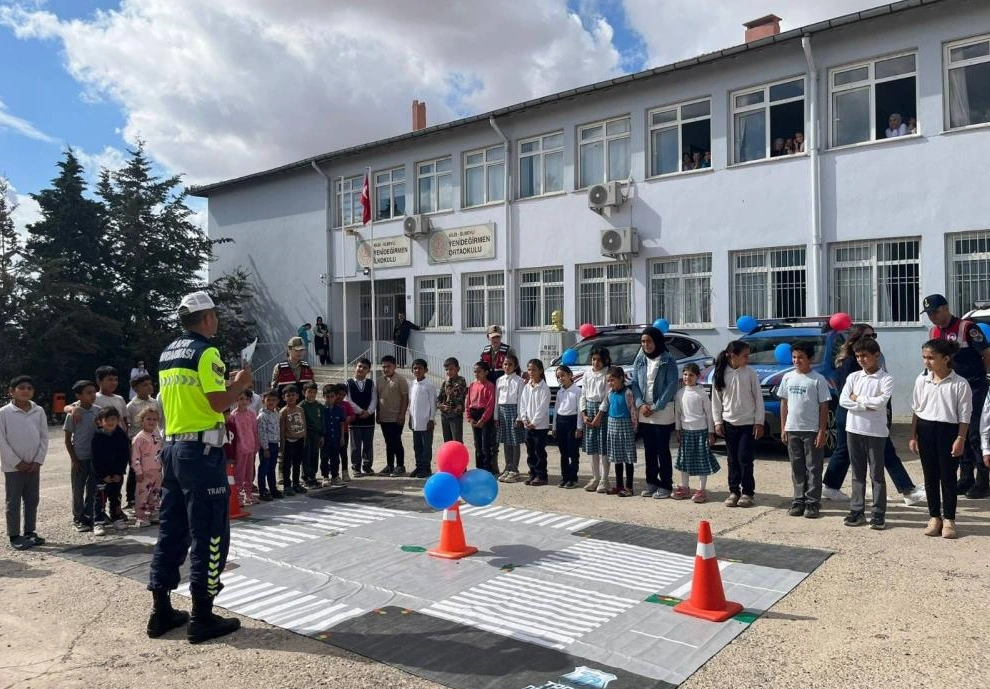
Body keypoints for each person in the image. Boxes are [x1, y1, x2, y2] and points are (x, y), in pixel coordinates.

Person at [147, 290, 251, 644]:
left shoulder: (167, 353)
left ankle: (161, 609)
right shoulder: (207, 352)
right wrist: (239, 385)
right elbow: (217, 402)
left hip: (174, 448)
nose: (217, 320)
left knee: (172, 529)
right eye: (215, 315)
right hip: (201, 452)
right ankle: (202, 615)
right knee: (210, 531)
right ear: (206, 318)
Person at [822, 324, 926, 505]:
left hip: (873, 417)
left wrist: (866, 401)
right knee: (849, 451)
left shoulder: (876, 360)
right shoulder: (850, 362)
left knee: (881, 452)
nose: (872, 339)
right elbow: (846, 395)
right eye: (868, 336)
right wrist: (867, 403)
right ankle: (907, 490)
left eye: (874, 336)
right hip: (851, 416)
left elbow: (881, 397)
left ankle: (906, 489)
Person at [924, 293, 990, 499]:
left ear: (945, 308)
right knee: (955, 431)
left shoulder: (967, 328)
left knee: (974, 432)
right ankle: (966, 476)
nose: (932, 316)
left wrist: (987, 376)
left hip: (974, 385)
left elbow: (986, 353)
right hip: (948, 388)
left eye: (935, 312)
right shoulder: (934, 332)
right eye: (929, 313)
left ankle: (983, 480)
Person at [910, 339, 972, 539]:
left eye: (931, 358)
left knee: (948, 477)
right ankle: (934, 516)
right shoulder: (922, 380)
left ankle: (950, 519)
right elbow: (917, 409)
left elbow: (964, 415)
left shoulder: (960, 384)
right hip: (926, 429)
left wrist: (960, 438)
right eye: (924, 358)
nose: (927, 362)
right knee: (930, 476)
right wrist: (913, 435)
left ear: (945, 359)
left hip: (948, 431)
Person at [840, 337, 893, 530]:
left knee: (876, 473)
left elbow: (881, 403)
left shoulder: (886, 379)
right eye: (858, 356)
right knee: (857, 472)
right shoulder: (853, 377)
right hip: (854, 428)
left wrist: (858, 399)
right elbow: (844, 400)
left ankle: (878, 513)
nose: (861, 359)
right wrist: (866, 404)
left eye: (865, 355)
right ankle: (857, 510)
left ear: (876, 355)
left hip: (876, 431)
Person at [778, 341, 831, 519]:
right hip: (793, 429)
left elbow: (824, 406)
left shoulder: (818, 379)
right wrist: (783, 427)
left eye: (801, 357)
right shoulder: (787, 378)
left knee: (814, 467)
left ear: (810, 359)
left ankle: (812, 502)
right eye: (794, 357)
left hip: (811, 430)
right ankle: (799, 499)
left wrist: (822, 431)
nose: (796, 360)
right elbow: (784, 403)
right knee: (797, 467)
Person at [712, 340, 763, 508]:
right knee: (732, 459)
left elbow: (758, 398)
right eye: (744, 356)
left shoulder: (750, 374)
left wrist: (759, 421)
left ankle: (748, 492)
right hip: (729, 423)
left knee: (745, 459)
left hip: (747, 423)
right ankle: (734, 491)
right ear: (733, 356)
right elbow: (716, 401)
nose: (747, 359)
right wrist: (717, 422)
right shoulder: (720, 374)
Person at [0, 375, 48, 550]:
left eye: (29, 388)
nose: (26, 390)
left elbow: (44, 437)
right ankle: (14, 535)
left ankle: (30, 532)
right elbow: (1, 441)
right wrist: (16, 462)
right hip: (13, 467)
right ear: (11, 391)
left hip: (33, 465)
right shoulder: (4, 413)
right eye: (21, 387)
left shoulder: (39, 411)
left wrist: (38, 460)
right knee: (13, 500)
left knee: (32, 499)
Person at [631, 326, 678, 499]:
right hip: (644, 410)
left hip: (662, 410)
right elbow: (635, 382)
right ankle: (651, 482)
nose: (646, 344)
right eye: (643, 341)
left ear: (656, 341)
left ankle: (666, 484)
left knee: (662, 450)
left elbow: (672, 384)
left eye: (649, 341)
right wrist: (640, 403)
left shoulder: (667, 359)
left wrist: (657, 406)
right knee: (649, 450)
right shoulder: (640, 359)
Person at [672, 363, 719, 503]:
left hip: (701, 432)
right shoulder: (680, 393)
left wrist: (711, 433)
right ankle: (685, 487)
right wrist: (678, 429)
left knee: (701, 462)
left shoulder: (702, 393)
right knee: (684, 461)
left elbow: (709, 414)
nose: (688, 377)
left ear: (697, 377)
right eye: (685, 374)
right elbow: (678, 413)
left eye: (691, 375)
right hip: (686, 432)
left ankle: (701, 490)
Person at [593, 366, 638, 497]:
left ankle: (629, 487)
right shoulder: (610, 393)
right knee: (617, 458)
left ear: (621, 379)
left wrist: (634, 428)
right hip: (612, 428)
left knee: (628, 458)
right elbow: (604, 406)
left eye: (612, 380)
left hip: (625, 428)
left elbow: (633, 411)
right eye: (608, 381)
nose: (610, 383)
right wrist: (597, 418)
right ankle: (619, 486)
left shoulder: (627, 393)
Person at [64, 380, 100, 533]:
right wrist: (73, 459)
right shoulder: (73, 414)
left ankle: (90, 514)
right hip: (79, 457)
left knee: (93, 489)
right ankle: (78, 518)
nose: (92, 395)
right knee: (77, 489)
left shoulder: (98, 411)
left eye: (94, 392)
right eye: (88, 393)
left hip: (95, 457)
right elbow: (67, 439)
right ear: (79, 395)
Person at [480, 325, 516, 467]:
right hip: (489, 393)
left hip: (504, 393)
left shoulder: (508, 350)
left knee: (503, 431)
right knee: (489, 430)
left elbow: (515, 370)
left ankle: (508, 465)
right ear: (488, 337)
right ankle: (491, 463)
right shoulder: (485, 352)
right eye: (493, 336)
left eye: (498, 336)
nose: (496, 339)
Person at [91, 406, 130, 535]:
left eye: (113, 419)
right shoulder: (97, 437)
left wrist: (119, 472)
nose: (110, 422)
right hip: (102, 475)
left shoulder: (121, 436)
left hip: (117, 474)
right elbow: (95, 459)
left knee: (116, 496)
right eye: (107, 420)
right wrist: (103, 475)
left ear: (117, 420)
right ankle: (98, 522)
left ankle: (116, 517)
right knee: (100, 498)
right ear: (100, 421)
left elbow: (124, 456)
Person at [580, 347, 611, 493]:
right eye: (593, 359)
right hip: (589, 411)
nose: (596, 362)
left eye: (599, 360)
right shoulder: (587, 374)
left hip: (602, 412)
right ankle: (595, 477)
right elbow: (583, 394)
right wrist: (584, 413)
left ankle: (605, 479)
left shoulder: (607, 374)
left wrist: (599, 415)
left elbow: (607, 397)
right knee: (593, 448)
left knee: (603, 447)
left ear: (605, 360)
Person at [519, 359, 551, 486]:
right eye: (529, 369)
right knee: (530, 450)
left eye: (534, 370)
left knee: (539, 450)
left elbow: (542, 408)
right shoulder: (527, 387)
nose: (531, 372)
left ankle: (541, 475)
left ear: (540, 371)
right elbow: (523, 404)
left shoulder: (544, 388)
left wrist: (534, 422)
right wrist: (524, 419)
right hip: (528, 425)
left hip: (540, 426)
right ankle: (532, 473)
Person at [131, 407, 164, 527]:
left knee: (155, 493)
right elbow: (135, 457)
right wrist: (138, 471)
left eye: (155, 419)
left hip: (157, 470)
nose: (152, 421)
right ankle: (141, 517)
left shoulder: (157, 435)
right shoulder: (139, 438)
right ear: (142, 421)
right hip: (144, 472)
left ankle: (154, 513)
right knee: (142, 494)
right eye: (148, 419)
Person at [376, 355, 409, 476]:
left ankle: (400, 466)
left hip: (396, 417)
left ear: (394, 366)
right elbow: (378, 398)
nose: (386, 369)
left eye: (388, 366)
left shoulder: (400, 379)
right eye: (383, 366)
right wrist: (378, 413)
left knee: (396, 442)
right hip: (384, 417)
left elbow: (405, 398)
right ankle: (390, 466)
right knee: (388, 442)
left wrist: (402, 414)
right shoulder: (379, 380)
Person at [495, 354, 525, 482]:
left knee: (514, 441)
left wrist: (519, 417)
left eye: (510, 364)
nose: (507, 367)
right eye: (505, 364)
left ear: (515, 366)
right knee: (506, 441)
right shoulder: (499, 380)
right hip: (502, 411)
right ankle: (507, 467)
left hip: (514, 411)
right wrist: (496, 416)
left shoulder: (519, 381)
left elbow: (520, 400)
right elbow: (497, 399)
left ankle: (514, 469)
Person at [552, 365, 583, 489]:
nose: (561, 378)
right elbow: (556, 410)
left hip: (572, 422)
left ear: (570, 375)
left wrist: (579, 427)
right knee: (563, 453)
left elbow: (580, 411)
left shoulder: (577, 391)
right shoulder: (560, 392)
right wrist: (554, 427)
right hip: (561, 422)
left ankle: (573, 478)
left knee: (573, 452)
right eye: (558, 377)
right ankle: (565, 477)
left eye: (563, 375)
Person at [346, 358, 377, 477]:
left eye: (365, 367)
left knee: (368, 444)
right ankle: (356, 467)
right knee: (355, 445)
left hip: (369, 419)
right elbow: (347, 400)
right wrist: (359, 411)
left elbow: (374, 399)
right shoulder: (348, 383)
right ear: (355, 367)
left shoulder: (370, 383)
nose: (361, 369)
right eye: (359, 366)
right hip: (355, 419)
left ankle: (367, 466)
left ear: (368, 370)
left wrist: (369, 411)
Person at [408, 359, 437, 478]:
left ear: (426, 370)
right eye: (415, 368)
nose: (417, 370)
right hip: (415, 421)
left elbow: (433, 403)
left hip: (426, 422)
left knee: (426, 446)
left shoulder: (429, 385)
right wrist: (410, 418)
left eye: (420, 368)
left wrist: (431, 419)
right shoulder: (412, 384)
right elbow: (411, 403)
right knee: (417, 446)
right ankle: (419, 466)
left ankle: (426, 468)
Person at [230, 390, 260, 505]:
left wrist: (256, 444)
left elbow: (254, 430)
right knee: (239, 473)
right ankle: (237, 496)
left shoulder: (252, 414)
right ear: (236, 400)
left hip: (251, 447)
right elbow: (233, 435)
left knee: (249, 472)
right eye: (241, 399)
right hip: (240, 449)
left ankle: (248, 494)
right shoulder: (233, 416)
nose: (244, 401)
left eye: (246, 399)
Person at [465, 361, 496, 473]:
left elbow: (490, 405)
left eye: (479, 371)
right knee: (477, 443)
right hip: (474, 414)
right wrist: (469, 417)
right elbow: (468, 402)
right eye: (475, 372)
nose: (476, 374)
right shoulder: (472, 385)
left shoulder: (490, 386)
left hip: (484, 416)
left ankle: (488, 468)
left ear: (486, 372)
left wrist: (483, 419)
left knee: (485, 443)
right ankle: (479, 467)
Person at [270, 337, 315, 406]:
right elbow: (273, 389)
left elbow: (312, 386)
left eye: (301, 350)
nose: (299, 353)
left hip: (303, 408)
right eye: (296, 350)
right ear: (289, 350)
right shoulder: (280, 367)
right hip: (284, 407)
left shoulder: (307, 367)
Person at [279, 386, 307, 495]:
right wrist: (282, 445)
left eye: (293, 395)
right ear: (283, 397)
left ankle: (296, 484)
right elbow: (281, 429)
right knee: (287, 465)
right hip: (288, 441)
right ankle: (287, 486)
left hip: (299, 440)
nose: (291, 397)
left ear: (297, 396)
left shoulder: (300, 410)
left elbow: (304, 424)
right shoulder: (283, 412)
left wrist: (304, 437)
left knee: (297, 463)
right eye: (288, 395)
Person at [256, 390, 282, 500]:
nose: (271, 402)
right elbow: (262, 433)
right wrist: (265, 448)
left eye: (274, 400)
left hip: (275, 443)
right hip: (266, 446)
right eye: (269, 400)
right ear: (263, 401)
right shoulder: (262, 416)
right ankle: (262, 491)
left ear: (277, 401)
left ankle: (273, 488)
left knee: (272, 468)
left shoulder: (276, 413)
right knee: (264, 468)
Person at [320, 384, 347, 486]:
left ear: (336, 397)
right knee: (324, 458)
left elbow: (341, 424)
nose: (330, 399)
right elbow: (320, 424)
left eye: (332, 396)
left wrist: (342, 437)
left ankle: (335, 476)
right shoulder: (321, 409)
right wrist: (321, 436)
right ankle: (325, 477)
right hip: (325, 438)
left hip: (336, 438)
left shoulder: (339, 409)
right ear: (324, 396)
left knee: (335, 458)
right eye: (327, 397)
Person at [299, 381, 324, 488]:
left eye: (314, 392)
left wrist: (322, 435)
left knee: (315, 455)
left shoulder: (319, 406)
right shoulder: (301, 406)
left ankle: (313, 476)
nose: (312, 394)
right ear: (304, 392)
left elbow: (322, 421)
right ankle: (306, 477)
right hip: (306, 435)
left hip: (317, 435)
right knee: (306, 456)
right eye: (309, 392)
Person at [437, 357, 467, 443]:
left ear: (458, 369)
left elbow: (456, 395)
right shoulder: (445, 382)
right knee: (447, 442)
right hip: (445, 416)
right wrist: (440, 405)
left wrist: (448, 382)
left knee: (457, 441)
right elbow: (439, 398)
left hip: (455, 416)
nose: (448, 372)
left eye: (451, 369)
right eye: (446, 369)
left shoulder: (461, 381)